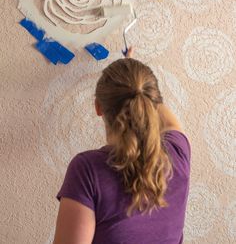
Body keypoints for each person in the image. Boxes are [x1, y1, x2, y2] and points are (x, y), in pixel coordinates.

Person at [53, 46, 191, 244]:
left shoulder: (87, 170)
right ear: (153, 102)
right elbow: (170, 123)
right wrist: (137, 83)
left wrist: (130, 84)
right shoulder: (178, 153)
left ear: (98, 107)